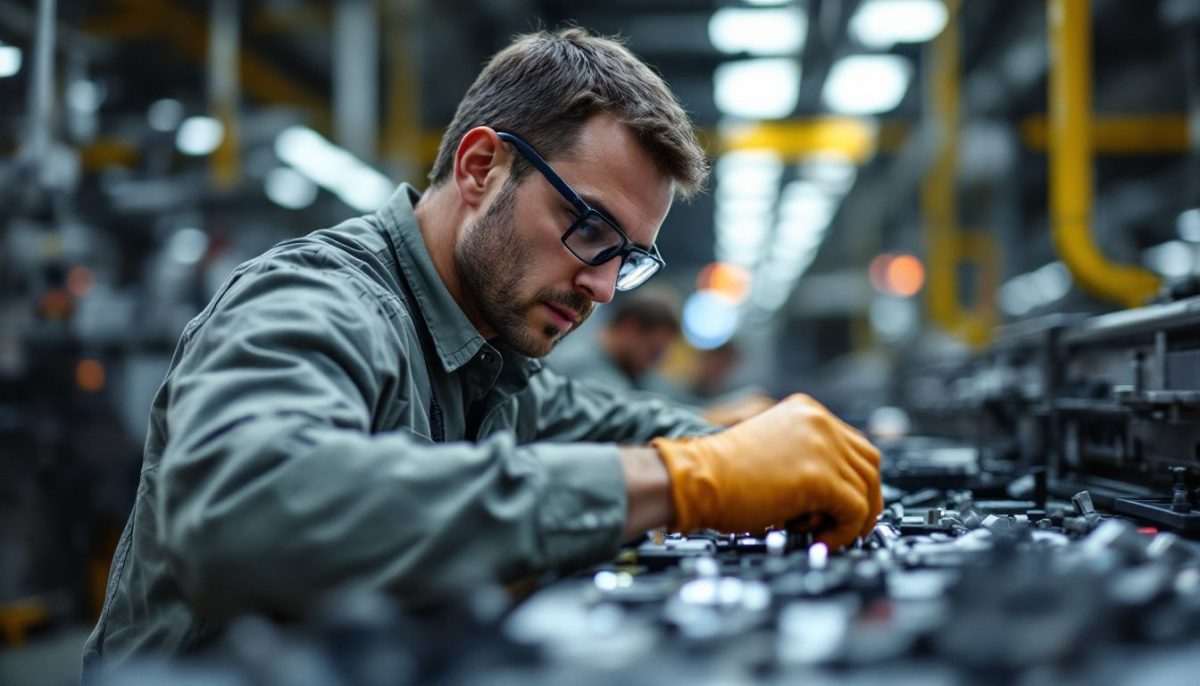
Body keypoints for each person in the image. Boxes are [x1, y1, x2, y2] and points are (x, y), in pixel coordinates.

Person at [83, 28, 881, 671]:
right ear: (479, 168)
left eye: (626, 258)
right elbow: (248, 512)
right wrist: (689, 479)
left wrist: (740, 451)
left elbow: (604, 426)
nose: (603, 289)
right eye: (591, 230)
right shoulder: (321, 299)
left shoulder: (484, 357)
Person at [547, 284, 685, 394]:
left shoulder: (576, 343)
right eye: (655, 352)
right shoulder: (595, 378)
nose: (655, 363)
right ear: (630, 328)